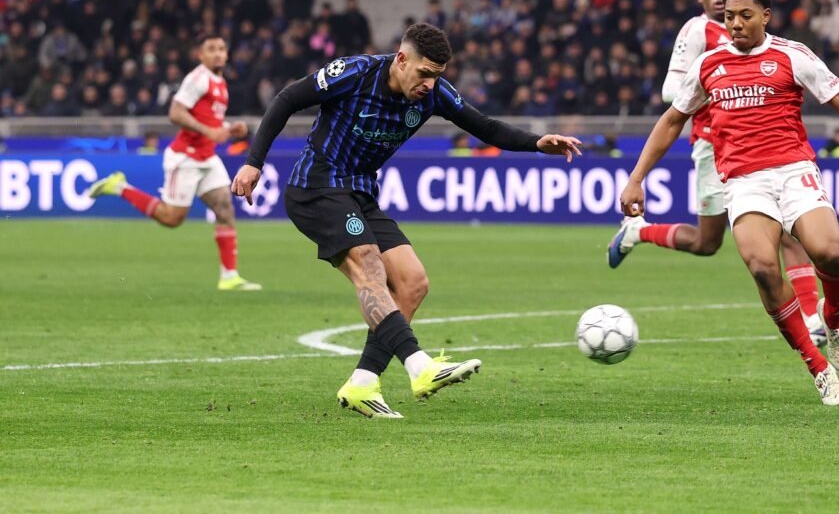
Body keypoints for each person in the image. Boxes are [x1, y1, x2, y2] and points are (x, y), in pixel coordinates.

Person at [230, 23, 581, 419]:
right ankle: (420, 366)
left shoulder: (434, 95)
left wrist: (536, 143)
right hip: (317, 187)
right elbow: (288, 98)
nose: (430, 84)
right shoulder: (354, 73)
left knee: (413, 283)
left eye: (437, 75)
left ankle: (363, 383)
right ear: (401, 60)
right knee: (369, 264)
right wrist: (254, 163)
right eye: (424, 73)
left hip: (360, 194)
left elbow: (484, 126)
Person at [619, 0, 839, 406]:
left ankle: (834, 318)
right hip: (743, 182)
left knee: (828, 253)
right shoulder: (708, 64)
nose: (736, 24)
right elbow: (672, 121)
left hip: (794, 171)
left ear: (766, 16)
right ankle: (819, 369)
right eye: (729, 17)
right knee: (763, 267)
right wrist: (637, 177)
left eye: (745, 16)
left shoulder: (792, 55)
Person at [608, 0, 839, 346]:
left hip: (758, 151)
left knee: (791, 232)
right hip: (713, 146)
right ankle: (639, 231)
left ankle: (812, 318)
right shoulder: (697, 31)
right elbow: (671, 91)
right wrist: (717, 87)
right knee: (707, 243)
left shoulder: (753, 35)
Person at [87, 35, 260, 291]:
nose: (217, 53)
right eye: (211, 49)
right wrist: (210, 132)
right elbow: (176, 112)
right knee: (171, 218)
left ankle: (229, 276)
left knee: (224, 208)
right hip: (186, 156)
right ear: (201, 55)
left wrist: (228, 128)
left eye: (222, 49)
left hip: (207, 156)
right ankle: (120, 187)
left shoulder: (220, 83)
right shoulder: (198, 78)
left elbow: (208, 120)